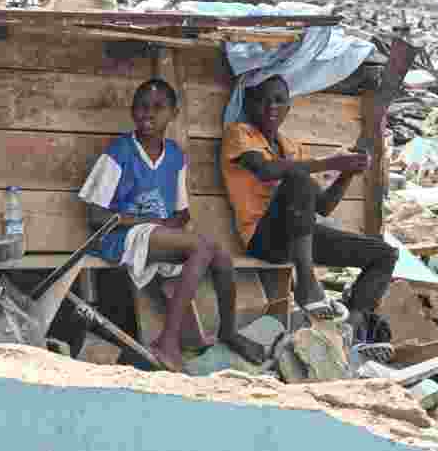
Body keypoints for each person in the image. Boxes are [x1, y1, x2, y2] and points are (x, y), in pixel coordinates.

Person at [78, 78, 260, 372]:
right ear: (132, 111)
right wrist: (149, 222)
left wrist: (167, 229)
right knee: (201, 248)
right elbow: (96, 216)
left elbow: (181, 213)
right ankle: (167, 342)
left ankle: (228, 331)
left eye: (158, 107)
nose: (148, 113)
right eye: (141, 106)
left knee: (220, 255)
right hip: (120, 238)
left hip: (157, 235)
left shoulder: (174, 155)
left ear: (173, 113)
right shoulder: (119, 152)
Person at [221, 74, 398, 349]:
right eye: (263, 100)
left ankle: (351, 326)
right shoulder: (239, 134)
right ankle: (307, 283)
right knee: (298, 177)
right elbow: (267, 171)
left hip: (297, 238)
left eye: (279, 101)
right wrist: (329, 161)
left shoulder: (292, 148)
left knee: (385, 254)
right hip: (262, 239)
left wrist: (347, 173)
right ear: (249, 104)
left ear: (289, 109)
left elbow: (324, 206)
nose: (271, 107)